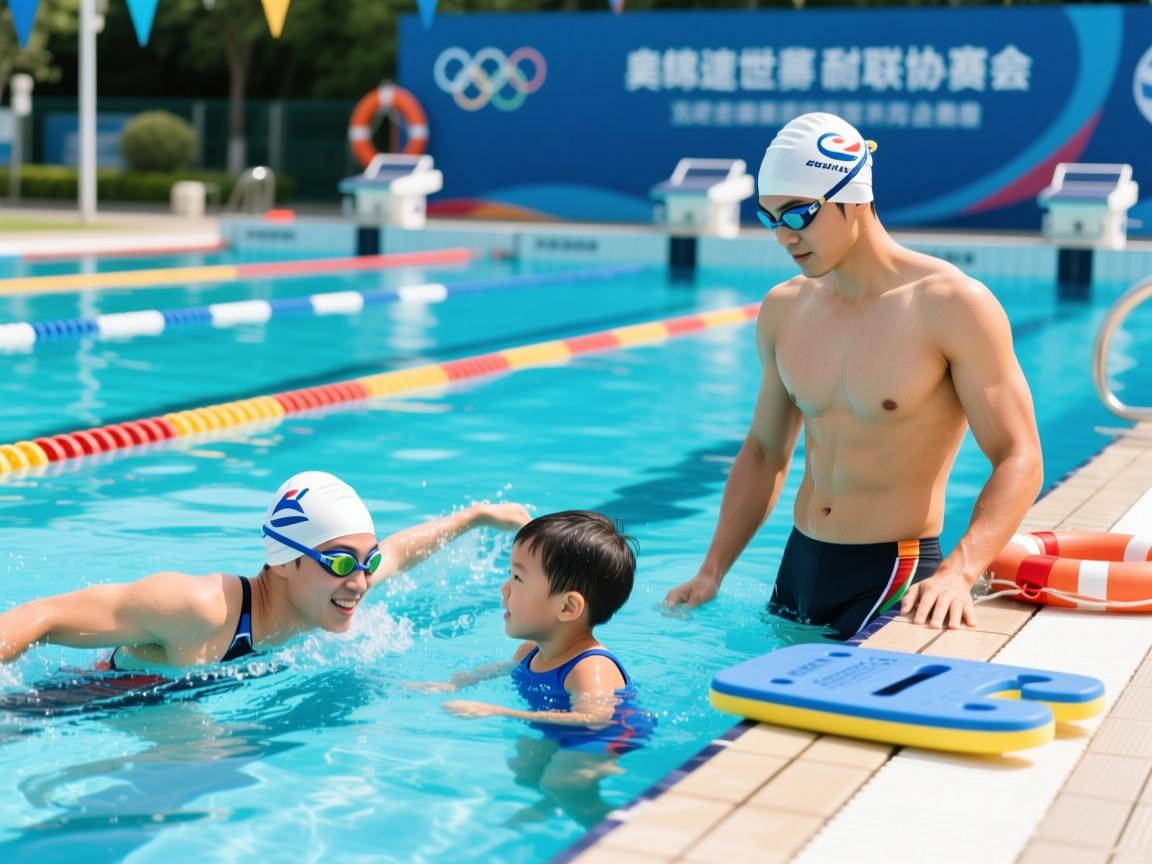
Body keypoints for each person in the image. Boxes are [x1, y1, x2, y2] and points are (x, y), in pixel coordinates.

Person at [665, 112, 1043, 639]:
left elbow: (1020, 455)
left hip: (893, 573)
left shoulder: (951, 304)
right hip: (799, 566)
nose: (782, 237)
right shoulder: (785, 308)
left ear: (855, 198)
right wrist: (712, 570)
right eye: (770, 217)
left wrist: (960, 572)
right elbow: (765, 452)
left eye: (798, 215)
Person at [0, 471, 531, 668]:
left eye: (365, 562)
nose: (363, 581)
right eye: (343, 562)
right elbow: (43, 614)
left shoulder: (327, 592)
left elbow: (400, 551)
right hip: (75, 709)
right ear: (283, 564)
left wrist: (475, 517)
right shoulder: (200, 608)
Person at [418, 510, 653, 826]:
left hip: (606, 735)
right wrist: (458, 683)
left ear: (568, 607)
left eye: (518, 578)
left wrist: (498, 712)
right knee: (525, 771)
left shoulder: (590, 667)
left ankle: (617, 829)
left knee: (562, 784)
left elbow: (595, 718)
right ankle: (547, 803)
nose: (504, 588)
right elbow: (504, 669)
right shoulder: (529, 651)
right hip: (561, 725)